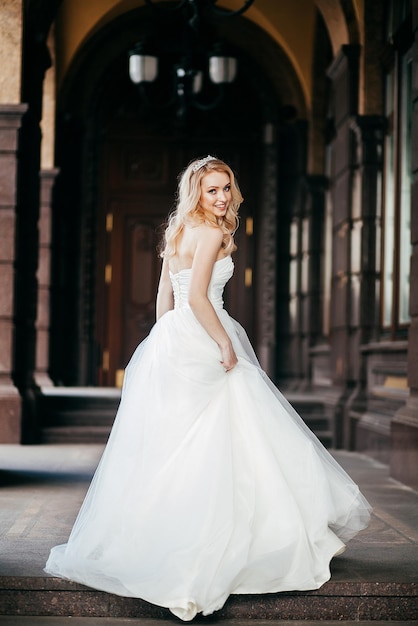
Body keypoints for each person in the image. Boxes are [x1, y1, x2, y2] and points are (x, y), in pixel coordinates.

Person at [45, 155, 371, 621]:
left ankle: (167, 534)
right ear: (196, 192)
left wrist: (165, 342)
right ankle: (231, 538)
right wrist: (222, 342)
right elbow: (197, 296)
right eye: (211, 190)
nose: (220, 198)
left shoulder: (176, 231)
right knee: (228, 436)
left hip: (174, 337)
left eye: (225, 189)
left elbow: (165, 300)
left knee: (178, 443)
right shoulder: (213, 234)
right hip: (204, 332)